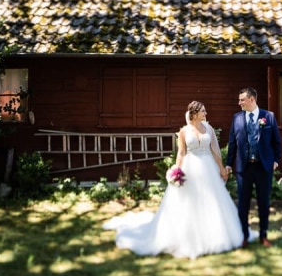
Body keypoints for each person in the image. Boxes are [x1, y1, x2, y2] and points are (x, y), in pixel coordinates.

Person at [102, 101, 246, 259]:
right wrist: (177, 170)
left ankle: (215, 235)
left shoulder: (209, 129)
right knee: (188, 201)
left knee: (212, 200)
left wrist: (221, 169)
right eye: (203, 111)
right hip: (190, 168)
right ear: (194, 113)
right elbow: (182, 153)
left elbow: (214, 151)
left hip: (208, 168)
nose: (206, 114)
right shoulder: (184, 131)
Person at [225, 87, 282, 248]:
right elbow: (232, 143)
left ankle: (263, 235)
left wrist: (276, 160)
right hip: (244, 169)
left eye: (242, 100)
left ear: (252, 99)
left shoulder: (268, 117)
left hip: (263, 167)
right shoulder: (236, 118)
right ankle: (244, 235)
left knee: (263, 202)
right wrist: (229, 163)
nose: (239, 103)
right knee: (243, 203)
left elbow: (276, 142)